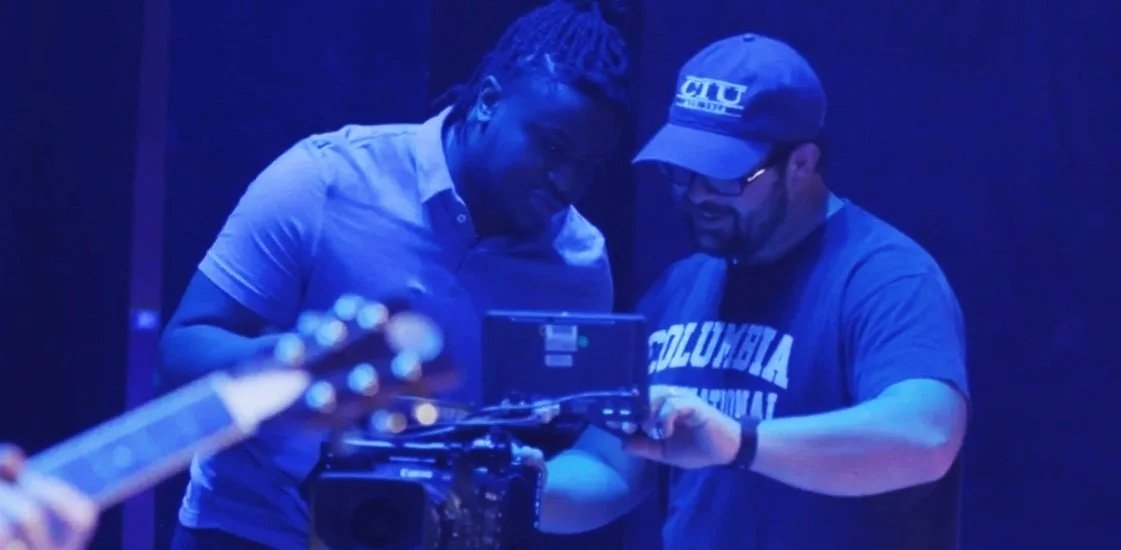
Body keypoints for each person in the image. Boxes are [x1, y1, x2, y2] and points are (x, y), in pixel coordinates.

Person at [157, 0, 631, 547]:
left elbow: (571, 445)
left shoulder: (582, 266)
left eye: (588, 165)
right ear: (488, 101)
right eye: (553, 146)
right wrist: (302, 373)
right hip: (252, 530)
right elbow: (180, 353)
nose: (566, 182)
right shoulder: (326, 179)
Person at [539, 33, 971, 549]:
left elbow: (926, 438)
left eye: (724, 176)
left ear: (803, 163)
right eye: (682, 171)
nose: (698, 194)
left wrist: (740, 443)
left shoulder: (886, 278)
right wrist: (503, 482)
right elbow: (608, 467)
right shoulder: (682, 286)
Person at [0, 444, 97, 550]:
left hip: (57, 536)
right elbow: (28, 519)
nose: (10, 467)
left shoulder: (31, 479)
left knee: (81, 513)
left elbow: (82, 512)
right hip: (17, 539)